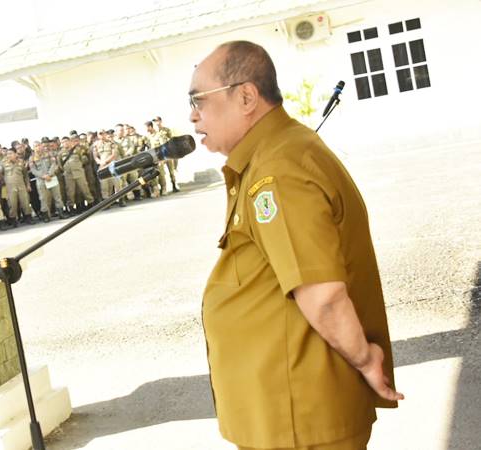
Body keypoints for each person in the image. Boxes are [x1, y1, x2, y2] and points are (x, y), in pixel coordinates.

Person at [192, 41, 402, 450]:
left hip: (297, 418)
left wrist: (365, 359)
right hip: (286, 410)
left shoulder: (279, 169)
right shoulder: (274, 154)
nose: (192, 114)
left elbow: (322, 295)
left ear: (247, 96)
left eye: (199, 99)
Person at [29, 142, 67, 222]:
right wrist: (43, 176)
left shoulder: (49, 154)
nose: (38, 147)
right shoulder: (32, 158)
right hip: (41, 180)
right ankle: (46, 215)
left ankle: (61, 213)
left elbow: (54, 164)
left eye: (39, 145)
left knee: (57, 196)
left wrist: (49, 174)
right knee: (43, 198)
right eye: (36, 146)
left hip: (52, 177)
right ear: (34, 148)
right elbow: (33, 170)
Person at [58, 135, 95, 214]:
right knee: (70, 192)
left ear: (69, 142)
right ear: (61, 143)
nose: (65, 143)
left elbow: (83, 159)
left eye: (66, 141)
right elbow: (60, 165)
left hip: (79, 173)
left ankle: (91, 203)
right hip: (68, 175)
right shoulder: (60, 153)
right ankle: (71, 207)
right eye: (63, 142)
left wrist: (78, 166)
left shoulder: (77, 150)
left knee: (85, 189)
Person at [0, 148, 35, 226]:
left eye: (11, 153)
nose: (9, 155)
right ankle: (13, 220)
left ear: (15, 154)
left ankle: (28, 217)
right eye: (8, 154)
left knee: (25, 202)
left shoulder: (21, 162)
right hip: (10, 187)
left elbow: (25, 175)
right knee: (12, 204)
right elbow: (0, 174)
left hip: (21, 186)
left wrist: (28, 185)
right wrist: (4, 181)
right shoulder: (3, 163)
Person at [152, 116, 179, 192]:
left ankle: (174, 185)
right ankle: (163, 188)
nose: (156, 123)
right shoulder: (154, 133)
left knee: (171, 171)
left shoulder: (166, 130)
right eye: (154, 121)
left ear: (160, 121)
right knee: (161, 172)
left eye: (157, 121)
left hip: (168, 153)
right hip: (160, 155)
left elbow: (172, 140)